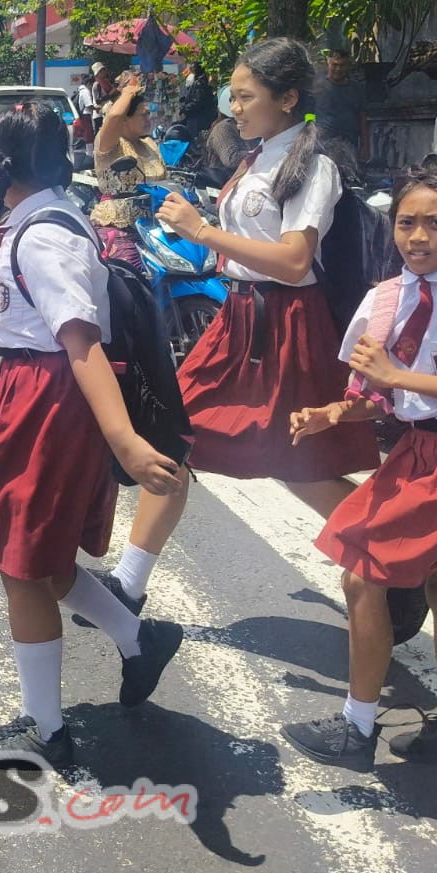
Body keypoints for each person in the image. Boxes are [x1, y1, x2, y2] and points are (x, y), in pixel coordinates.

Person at [88, 38, 380, 618]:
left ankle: (392, 558)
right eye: (233, 96)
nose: (236, 108)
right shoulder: (259, 157)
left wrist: (201, 231)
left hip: (287, 324)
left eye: (246, 97)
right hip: (240, 318)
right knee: (179, 435)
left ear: (288, 97)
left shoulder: (315, 166)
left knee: (301, 465)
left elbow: (295, 261)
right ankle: (128, 582)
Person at [0, 105, 185, 770]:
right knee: (44, 560)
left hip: (50, 400)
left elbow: (79, 343)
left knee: (23, 571)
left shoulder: (44, 236)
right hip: (35, 394)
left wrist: (126, 442)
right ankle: (137, 636)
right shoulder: (34, 218)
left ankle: (46, 730)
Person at [282, 167, 437, 770]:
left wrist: (397, 377)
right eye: (407, 222)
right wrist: (330, 414)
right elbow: (375, 394)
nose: (418, 236)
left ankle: (356, 727)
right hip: (423, 450)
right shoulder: (384, 299)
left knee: (362, 575)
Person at [91, 73, 167, 271]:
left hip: (155, 229)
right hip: (120, 228)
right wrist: (128, 92)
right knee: (135, 287)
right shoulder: (110, 144)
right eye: (143, 114)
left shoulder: (150, 144)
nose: (149, 119)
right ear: (125, 119)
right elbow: (113, 116)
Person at [316, 49, 366, 161]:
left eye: (342, 65)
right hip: (323, 145)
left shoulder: (356, 89)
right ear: (328, 64)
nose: (338, 69)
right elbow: (307, 114)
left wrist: (365, 145)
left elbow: (362, 117)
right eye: (335, 65)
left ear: (348, 66)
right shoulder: (317, 88)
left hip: (349, 144)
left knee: (348, 176)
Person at [177, 62, 216, 144]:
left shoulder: (199, 83)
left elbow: (198, 102)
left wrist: (184, 109)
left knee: (196, 141)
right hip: (201, 117)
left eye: (193, 67)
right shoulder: (202, 81)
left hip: (198, 118)